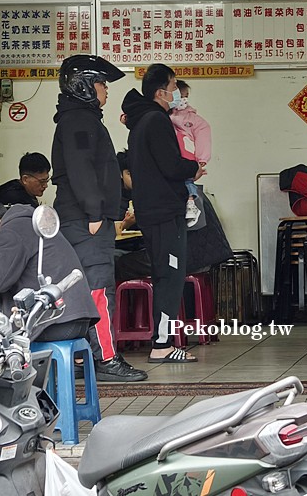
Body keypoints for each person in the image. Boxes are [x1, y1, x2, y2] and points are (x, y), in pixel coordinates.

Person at [51, 54, 146, 383]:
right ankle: (105, 357)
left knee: (87, 288)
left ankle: (88, 356)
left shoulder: (80, 118)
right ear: (85, 86)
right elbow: (81, 168)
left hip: (83, 217)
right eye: (102, 83)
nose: (106, 90)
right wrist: (94, 212)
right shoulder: (79, 120)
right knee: (97, 288)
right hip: (84, 219)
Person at [121, 63, 204, 363]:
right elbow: (170, 165)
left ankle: (162, 340)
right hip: (164, 211)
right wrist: (194, 167)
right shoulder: (156, 121)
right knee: (170, 277)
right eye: (172, 87)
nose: (176, 93)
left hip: (150, 210)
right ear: (160, 92)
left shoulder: (141, 120)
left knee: (163, 275)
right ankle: (162, 344)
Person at [0, 200, 99, 342]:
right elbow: (3, 263)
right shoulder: (24, 222)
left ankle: (0, 365)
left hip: (55, 322)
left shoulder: (10, 231)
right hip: (73, 317)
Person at [169, 80, 212, 227]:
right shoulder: (160, 114)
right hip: (171, 159)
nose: (183, 99)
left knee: (188, 181)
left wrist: (202, 160)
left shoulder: (193, 119)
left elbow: (203, 136)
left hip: (186, 157)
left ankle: (191, 204)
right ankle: (190, 203)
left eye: (186, 96)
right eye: (181, 95)